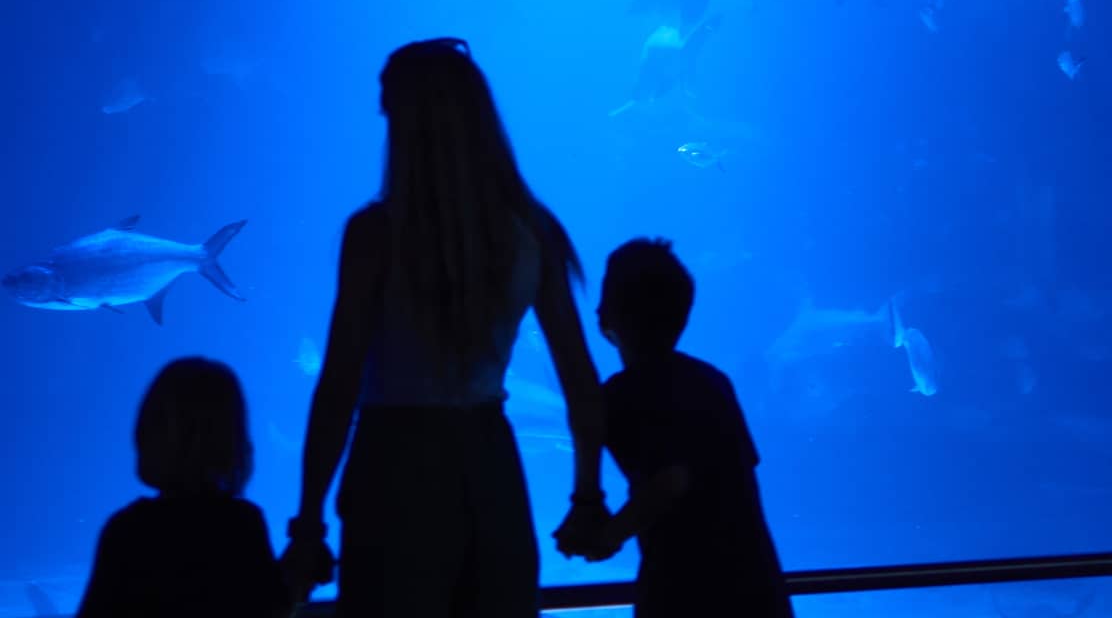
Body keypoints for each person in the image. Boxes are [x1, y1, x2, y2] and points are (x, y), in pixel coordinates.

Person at [282, 36, 609, 615]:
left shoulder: (375, 234)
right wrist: (588, 496)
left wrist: (308, 524)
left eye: (389, 109)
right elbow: (581, 381)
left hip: (394, 465)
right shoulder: (534, 231)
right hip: (489, 465)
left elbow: (338, 385)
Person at [560, 238, 793, 618]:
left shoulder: (624, 395)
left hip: (683, 590)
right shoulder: (714, 380)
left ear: (605, 316)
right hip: (758, 586)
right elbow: (739, 468)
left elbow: (670, 481)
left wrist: (608, 536)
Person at [76, 357, 290, 618]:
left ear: (145, 432)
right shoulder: (245, 522)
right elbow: (271, 607)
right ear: (234, 442)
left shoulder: (127, 530)